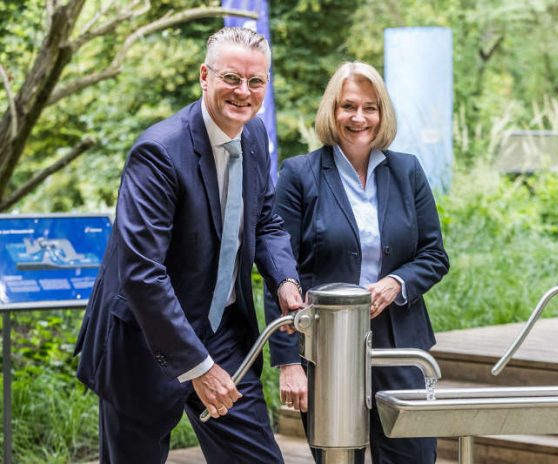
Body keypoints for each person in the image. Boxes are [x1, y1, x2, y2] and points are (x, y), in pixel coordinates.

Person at [75, 27, 303, 464]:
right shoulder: (158, 152)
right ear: (204, 76)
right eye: (232, 78)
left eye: (256, 82)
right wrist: (198, 367)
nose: (244, 92)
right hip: (144, 339)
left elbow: (267, 222)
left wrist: (285, 279)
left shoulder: (255, 137)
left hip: (223, 332)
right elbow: (142, 273)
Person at [265, 61, 449, 463]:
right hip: (328, 348)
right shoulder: (299, 174)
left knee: (413, 456)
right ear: (332, 111)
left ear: (382, 113)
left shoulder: (407, 171)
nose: (359, 117)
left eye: (370, 107)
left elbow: (434, 255)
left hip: (399, 346)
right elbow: (277, 271)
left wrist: (396, 283)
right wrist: (288, 363)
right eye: (348, 106)